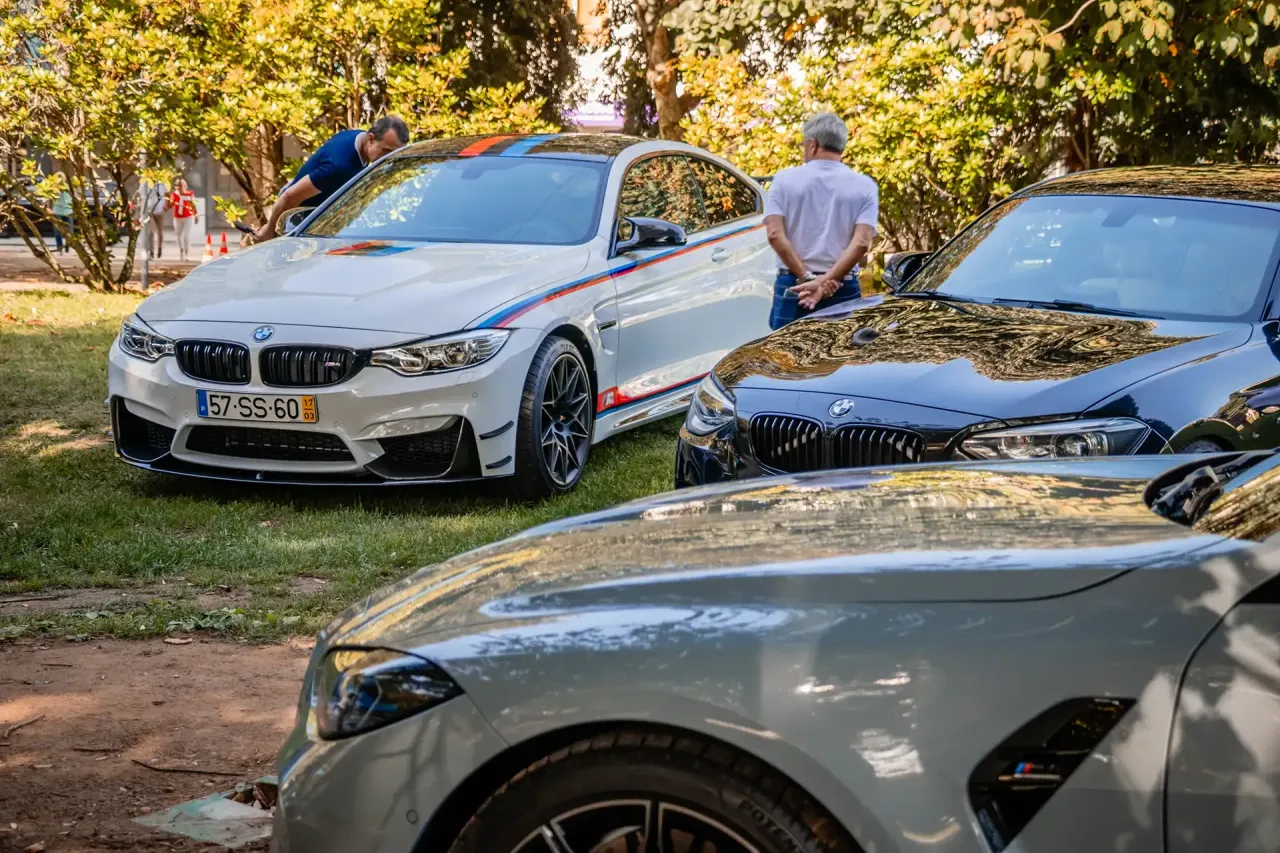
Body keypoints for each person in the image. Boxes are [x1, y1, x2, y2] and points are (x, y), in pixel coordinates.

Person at [764, 111, 879, 329]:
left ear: (812, 144)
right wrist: (825, 281)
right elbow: (862, 243)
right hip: (842, 286)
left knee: (785, 349)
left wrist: (806, 278)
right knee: (843, 349)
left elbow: (774, 234)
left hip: (793, 286)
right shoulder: (865, 186)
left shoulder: (783, 181)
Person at [252, 116, 410, 242]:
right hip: (296, 224)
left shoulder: (357, 137)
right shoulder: (339, 167)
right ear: (371, 139)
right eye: (386, 151)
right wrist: (269, 229)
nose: (390, 158)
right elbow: (290, 196)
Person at [136, 177, 171, 259]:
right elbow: (139, 195)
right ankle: (151, 250)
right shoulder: (145, 183)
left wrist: (166, 205)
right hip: (149, 211)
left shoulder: (162, 184)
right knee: (151, 231)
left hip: (159, 211)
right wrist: (140, 207)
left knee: (160, 232)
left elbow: (167, 195)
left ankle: (159, 248)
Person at [170, 177, 198, 261]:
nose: (179, 187)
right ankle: (181, 250)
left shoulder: (190, 194)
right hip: (177, 218)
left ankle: (186, 254)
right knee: (178, 235)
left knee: (186, 236)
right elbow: (170, 205)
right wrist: (170, 200)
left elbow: (193, 205)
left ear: (184, 186)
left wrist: (196, 215)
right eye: (177, 186)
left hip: (187, 217)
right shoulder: (174, 194)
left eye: (181, 185)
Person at [51, 188, 72, 254]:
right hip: (57, 210)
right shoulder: (54, 185)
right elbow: (50, 198)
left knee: (70, 230)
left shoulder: (70, 185)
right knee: (57, 230)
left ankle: (67, 246)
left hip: (69, 211)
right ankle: (59, 247)